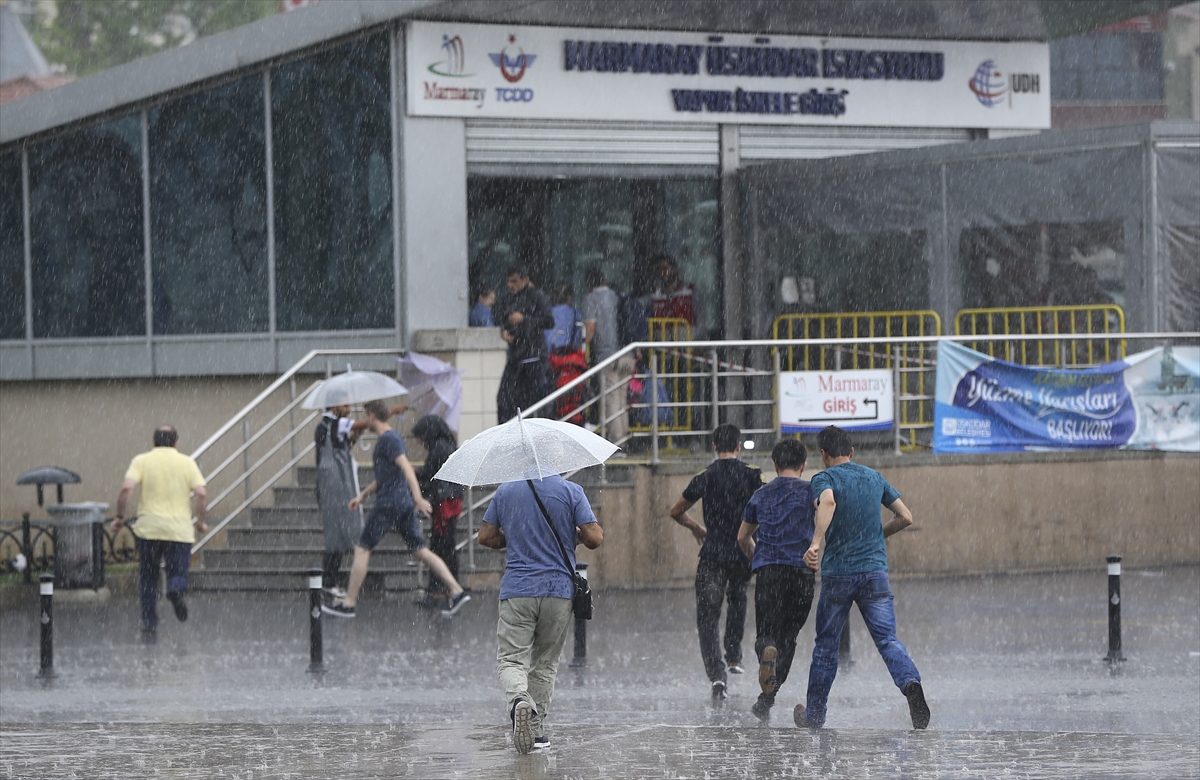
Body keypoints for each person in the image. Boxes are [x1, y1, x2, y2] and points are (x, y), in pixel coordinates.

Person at [795, 425, 930, 730]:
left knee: (826, 646)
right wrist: (876, 536)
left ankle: (814, 715)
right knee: (887, 639)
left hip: (839, 574)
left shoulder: (824, 478)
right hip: (874, 573)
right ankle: (910, 683)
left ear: (823, 454)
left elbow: (827, 502)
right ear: (852, 452)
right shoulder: (873, 477)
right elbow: (906, 517)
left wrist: (816, 542)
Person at [478, 473, 604, 754]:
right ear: (556, 460)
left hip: (518, 590)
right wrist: (573, 537)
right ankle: (535, 732)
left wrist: (513, 538)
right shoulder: (571, 491)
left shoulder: (506, 490)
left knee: (512, 660)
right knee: (545, 663)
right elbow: (595, 537)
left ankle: (519, 702)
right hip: (559, 591)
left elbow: (485, 536)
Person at [323, 400, 470, 619]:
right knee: (420, 551)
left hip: (389, 503)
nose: (364, 421)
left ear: (373, 416)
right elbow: (387, 475)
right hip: (400, 502)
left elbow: (406, 470)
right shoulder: (389, 439)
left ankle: (348, 603)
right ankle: (457, 591)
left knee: (362, 549)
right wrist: (362, 496)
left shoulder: (388, 439)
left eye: (365, 416)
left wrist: (419, 499)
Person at [668, 423, 764, 699]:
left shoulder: (706, 475)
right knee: (738, 597)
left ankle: (717, 675)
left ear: (713, 447)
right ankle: (734, 655)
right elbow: (764, 508)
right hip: (742, 551)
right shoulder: (752, 475)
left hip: (712, 554)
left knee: (707, 616)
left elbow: (676, 511)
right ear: (738, 446)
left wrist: (697, 528)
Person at [737, 439, 817, 721]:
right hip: (802, 573)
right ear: (804, 465)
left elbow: (743, 537)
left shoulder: (761, 494)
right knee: (789, 638)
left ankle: (766, 655)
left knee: (766, 635)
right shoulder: (812, 492)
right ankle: (766, 701)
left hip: (770, 571)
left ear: (774, 464)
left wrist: (757, 557)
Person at [112, 426, 208, 636]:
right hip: (178, 531)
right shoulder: (187, 463)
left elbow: (126, 488)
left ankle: (149, 621)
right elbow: (201, 493)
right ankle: (174, 588)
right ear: (176, 442)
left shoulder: (142, 461)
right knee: (178, 571)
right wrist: (200, 521)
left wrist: (119, 516)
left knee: (148, 575)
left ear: (154, 442)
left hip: (149, 529)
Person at [314, 398, 364, 600]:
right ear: (334, 406)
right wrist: (382, 415)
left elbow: (340, 449)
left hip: (333, 485)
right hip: (334, 486)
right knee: (336, 533)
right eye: (345, 406)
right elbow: (363, 424)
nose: (349, 410)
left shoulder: (327, 427)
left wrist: (353, 438)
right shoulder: (333, 423)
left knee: (338, 532)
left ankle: (330, 579)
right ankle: (328, 581)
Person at [412, 414, 463, 606]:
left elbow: (431, 475)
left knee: (440, 546)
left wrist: (414, 476)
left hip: (444, 504)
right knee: (445, 545)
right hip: (450, 501)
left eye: (420, 436)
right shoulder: (445, 445)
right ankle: (446, 588)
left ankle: (439, 590)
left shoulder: (438, 448)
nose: (419, 441)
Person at [582, 267, 636, 445]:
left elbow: (590, 328)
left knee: (612, 400)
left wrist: (582, 347)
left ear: (588, 284)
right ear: (604, 280)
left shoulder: (591, 299)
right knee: (621, 400)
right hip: (628, 354)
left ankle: (617, 443)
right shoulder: (617, 296)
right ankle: (624, 440)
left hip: (607, 356)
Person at [494, 265, 554, 423]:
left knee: (532, 402)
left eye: (514, 281)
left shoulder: (536, 296)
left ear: (525, 280)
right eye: (508, 282)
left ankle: (532, 434)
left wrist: (525, 319)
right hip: (515, 357)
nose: (510, 285)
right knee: (504, 399)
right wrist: (504, 331)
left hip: (534, 357)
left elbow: (549, 321)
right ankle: (508, 435)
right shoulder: (507, 298)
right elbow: (501, 318)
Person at [650, 254, 697, 330]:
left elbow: (701, 319)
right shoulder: (655, 294)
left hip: (687, 339)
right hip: (661, 340)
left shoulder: (689, 291)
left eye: (665, 268)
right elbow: (638, 304)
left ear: (674, 270)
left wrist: (699, 339)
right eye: (659, 269)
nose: (662, 272)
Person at [544, 282, 583, 354]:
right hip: (565, 356)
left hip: (548, 355)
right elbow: (577, 340)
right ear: (570, 297)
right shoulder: (575, 314)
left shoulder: (546, 313)